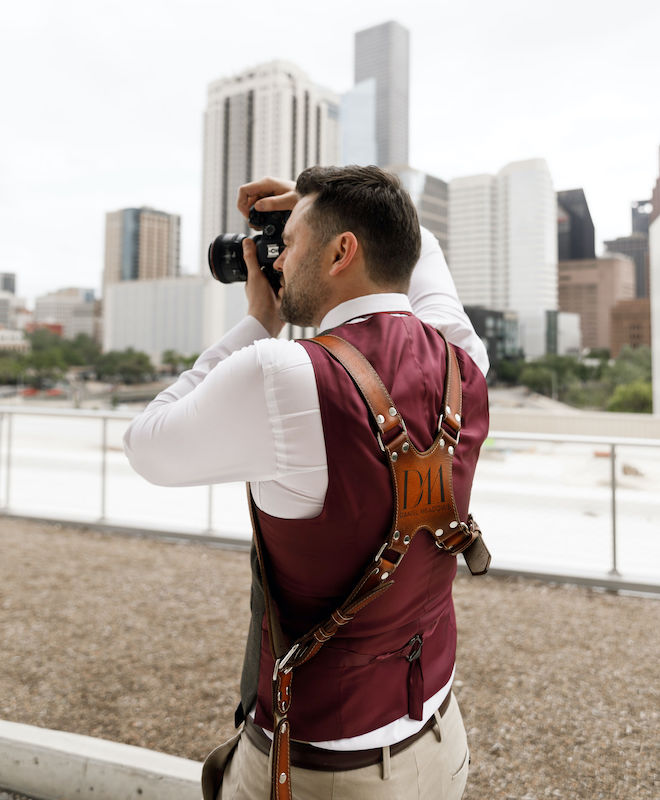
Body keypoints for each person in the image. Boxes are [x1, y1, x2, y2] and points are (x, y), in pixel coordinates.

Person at [124, 165, 490, 799]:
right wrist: (336, 209)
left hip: (327, 772)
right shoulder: (465, 359)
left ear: (342, 250)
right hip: (440, 739)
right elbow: (416, 246)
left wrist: (256, 323)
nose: (277, 259)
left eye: (287, 241)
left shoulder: (280, 374)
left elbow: (145, 444)